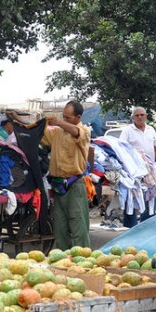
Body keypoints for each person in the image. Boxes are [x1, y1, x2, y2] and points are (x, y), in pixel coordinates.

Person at [42, 100, 91, 249]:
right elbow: (39, 132)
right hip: (58, 184)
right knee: (60, 227)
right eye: (63, 117)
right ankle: (64, 258)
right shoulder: (56, 132)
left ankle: (83, 259)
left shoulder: (84, 131)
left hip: (75, 184)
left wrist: (58, 122)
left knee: (78, 225)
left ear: (78, 117)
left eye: (68, 118)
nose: (64, 120)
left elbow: (76, 133)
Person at [119, 106, 156, 227]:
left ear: (146, 116)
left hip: (150, 170)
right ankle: (130, 226)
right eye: (137, 115)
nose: (139, 117)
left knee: (150, 195)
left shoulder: (151, 130)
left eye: (142, 115)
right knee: (132, 197)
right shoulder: (127, 131)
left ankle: (146, 223)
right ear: (132, 117)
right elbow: (122, 150)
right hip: (133, 170)